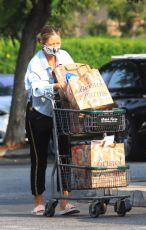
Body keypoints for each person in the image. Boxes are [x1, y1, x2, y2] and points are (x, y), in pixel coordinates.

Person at [24, 25, 80, 215]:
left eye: (58, 43)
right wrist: (55, 85)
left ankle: (65, 201)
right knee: (39, 158)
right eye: (51, 44)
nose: (55, 47)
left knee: (65, 155)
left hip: (61, 111)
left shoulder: (64, 56)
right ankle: (38, 201)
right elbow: (35, 89)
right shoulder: (35, 63)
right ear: (42, 43)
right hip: (39, 113)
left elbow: (74, 74)